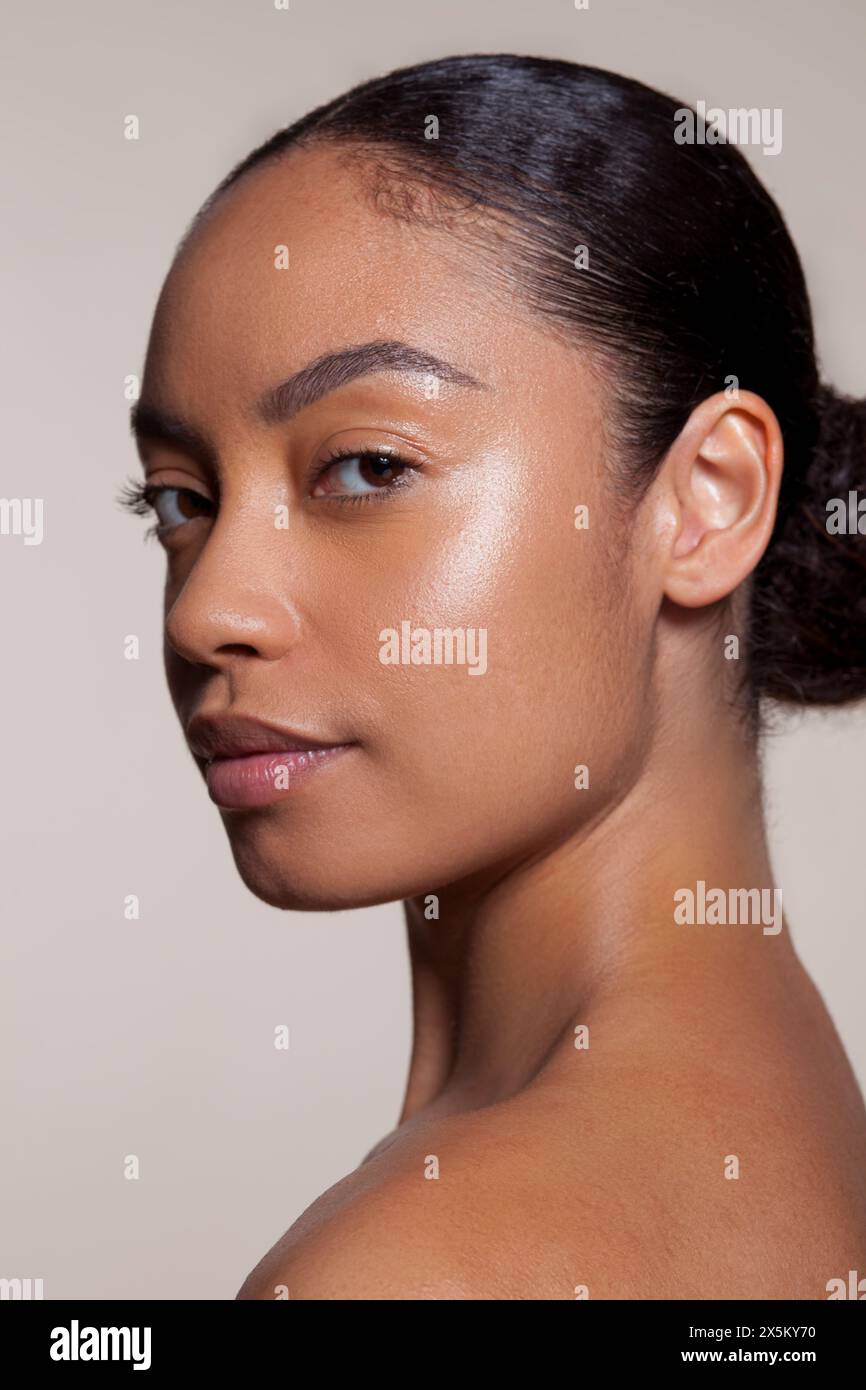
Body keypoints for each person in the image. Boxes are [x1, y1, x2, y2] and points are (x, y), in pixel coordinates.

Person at [122, 54, 866, 1299]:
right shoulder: (804, 1135)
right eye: (179, 499)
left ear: (703, 502)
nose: (207, 609)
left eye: (364, 467)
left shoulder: (412, 1270)